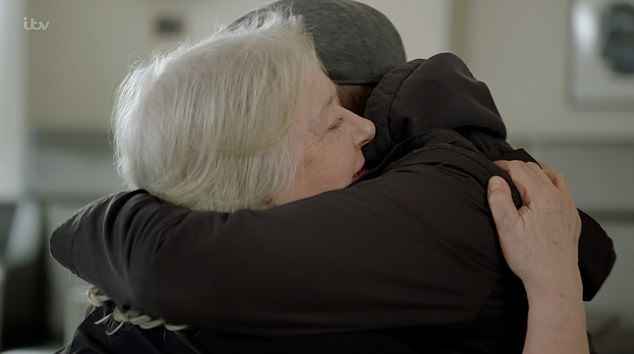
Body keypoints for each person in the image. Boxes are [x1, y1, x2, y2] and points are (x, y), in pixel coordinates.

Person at [51, 2, 615, 353]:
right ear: (253, 172)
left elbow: (174, 261)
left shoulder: (449, 196)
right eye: (329, 122)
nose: (366, 131)